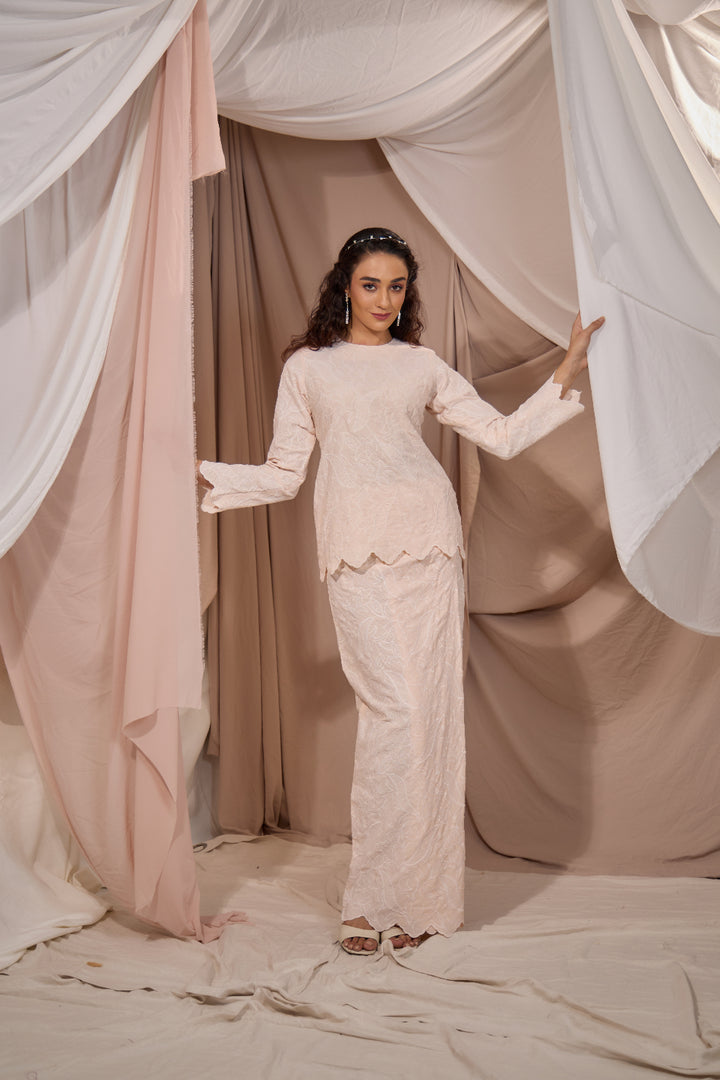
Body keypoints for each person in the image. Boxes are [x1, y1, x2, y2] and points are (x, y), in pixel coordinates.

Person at [197, 226, 604, 956]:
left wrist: (567, 368)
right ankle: (370, 898)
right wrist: (202, 475)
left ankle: (422, 899)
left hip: (431, 546)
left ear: (407, 293)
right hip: (355, 553)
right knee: (395, 714)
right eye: (370, 285)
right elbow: (285, 474)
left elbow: (501, 436)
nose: (383, 299)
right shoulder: (309, 369)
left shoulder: (421, 365)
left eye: (396, 286)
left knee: (432, 716)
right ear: (344, 288)